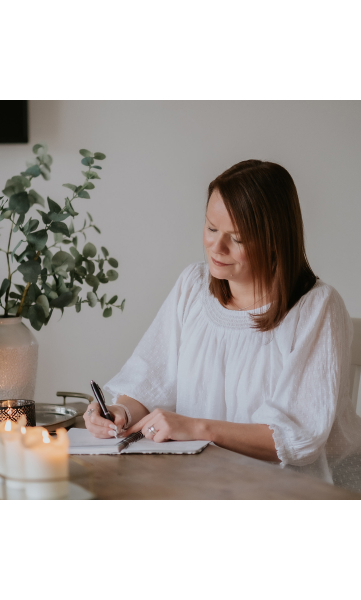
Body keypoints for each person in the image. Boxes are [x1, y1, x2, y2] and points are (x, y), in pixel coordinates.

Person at [84, 159, 361, 492]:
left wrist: (197, 428)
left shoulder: (317, 307)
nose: (216, 247)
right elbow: (151, 379)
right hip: (195, 485)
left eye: (238, 238)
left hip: (283, 494)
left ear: (275, 240)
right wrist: (119, 412)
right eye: (212, 228)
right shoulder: (193, 285)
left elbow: (295, 438)